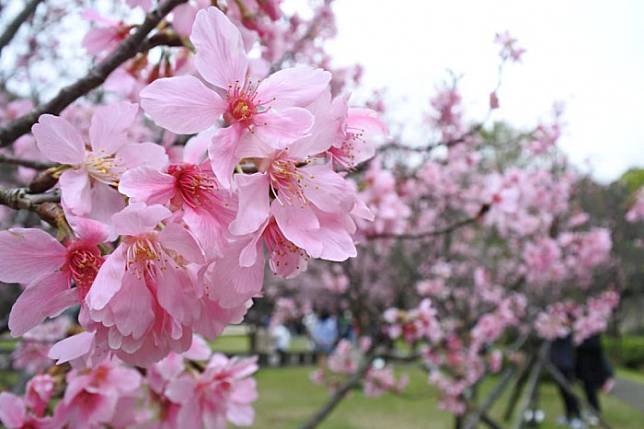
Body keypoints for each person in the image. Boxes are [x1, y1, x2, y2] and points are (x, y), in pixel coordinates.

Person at [575, 334, 614, 426]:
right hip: (584, 369)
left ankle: (596, 413)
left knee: (591, 393)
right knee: (588, 392)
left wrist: (579, 342)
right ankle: (591, 411)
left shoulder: (593, 335)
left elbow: (595, 347)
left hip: (592, 370)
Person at [550, 335, 584, 428]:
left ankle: (578, 417)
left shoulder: (566, 329)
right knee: (562, 392)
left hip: (567, 364)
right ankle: (568, 415)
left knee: (570, 392)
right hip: (557, 363)